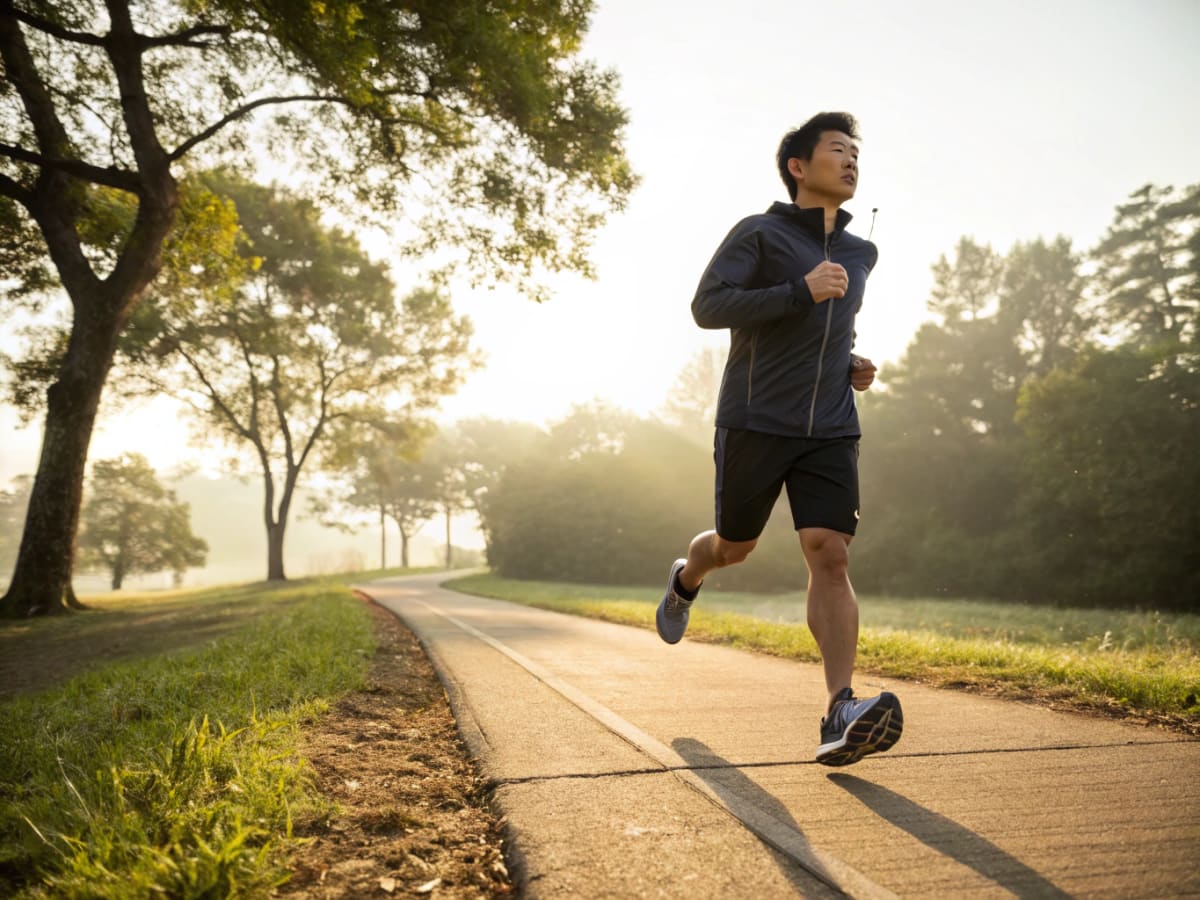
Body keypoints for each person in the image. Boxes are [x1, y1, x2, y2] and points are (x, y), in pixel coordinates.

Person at [655, 111, 902, 767]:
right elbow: (709, 307)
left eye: (857, 154)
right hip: (756, 419)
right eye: (837, 151)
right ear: (799, 165)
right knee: (734, 547)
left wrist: (851, 363)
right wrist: (799, 289)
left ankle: (839, 708)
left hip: (830, 425)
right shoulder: (759, 234)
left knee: (830, 553)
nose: (851, 162)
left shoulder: (860, 251)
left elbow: (832, 327)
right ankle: (687, 577)